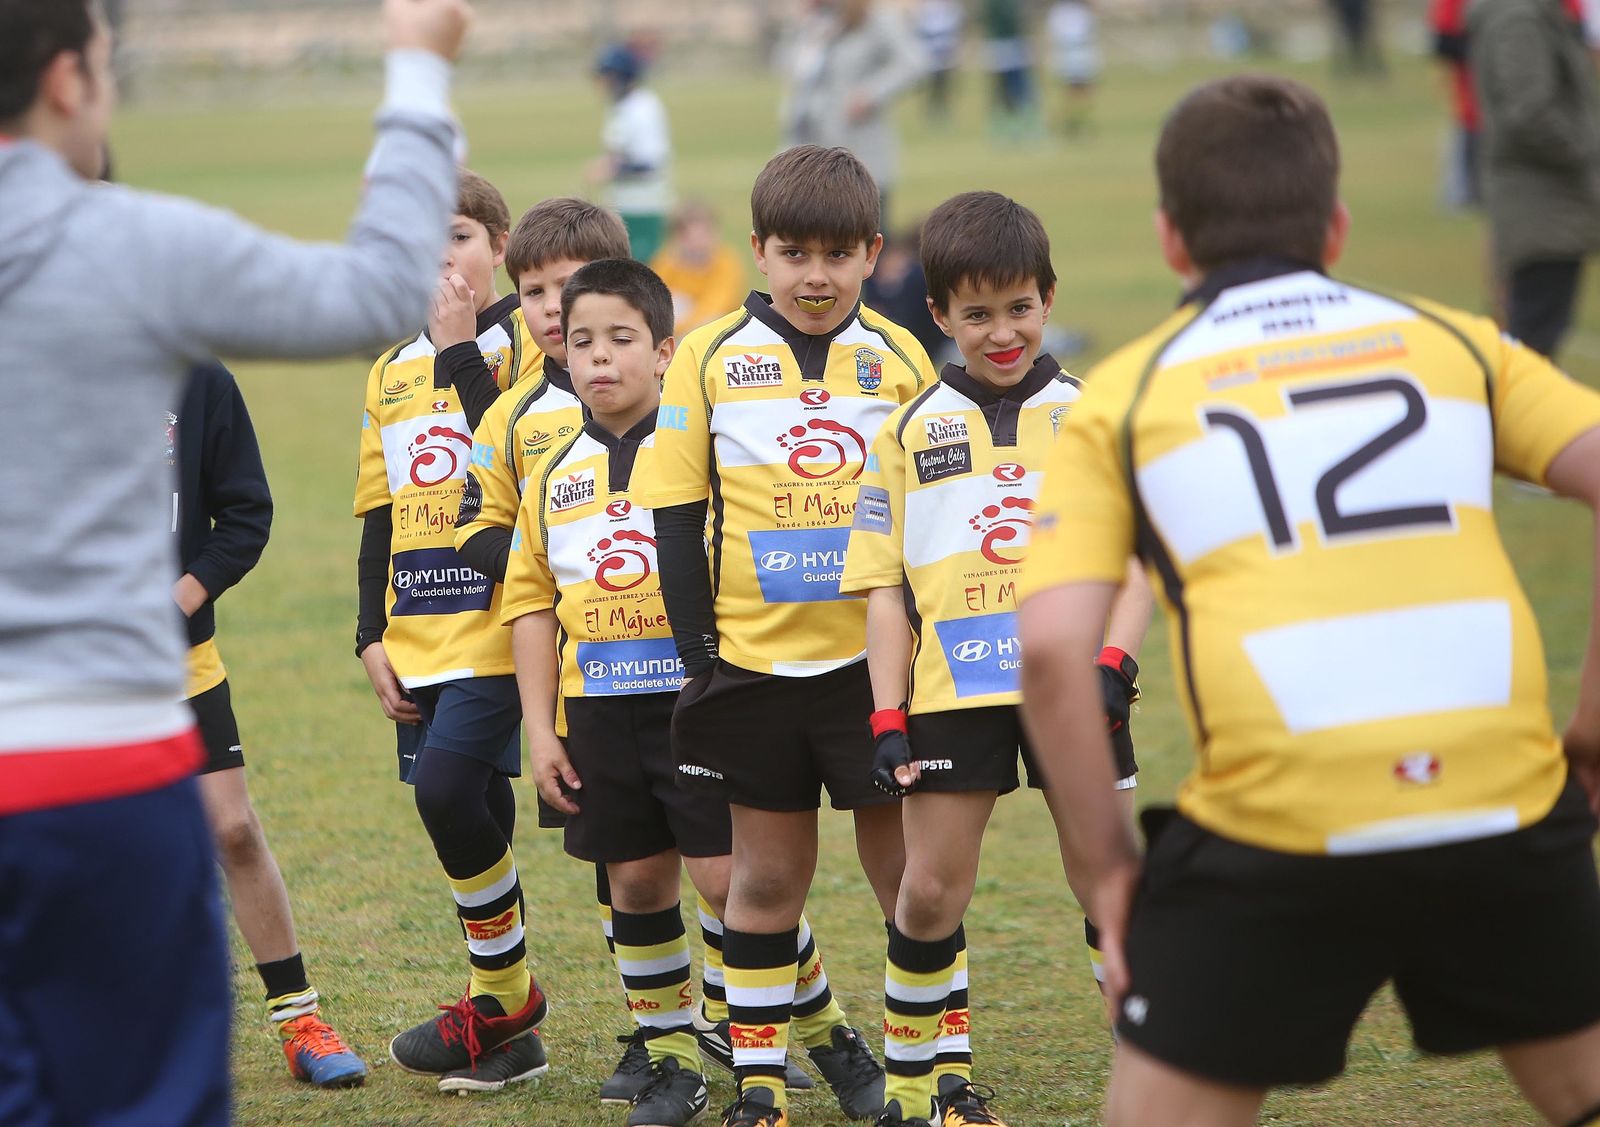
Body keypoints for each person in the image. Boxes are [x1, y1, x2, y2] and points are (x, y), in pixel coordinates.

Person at [1018, 73, 1600, 1127]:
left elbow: (1054, 652)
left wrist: (1108, 870)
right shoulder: (1456, 341)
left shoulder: (1125, 393)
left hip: (1276, 823)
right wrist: (1592, 732)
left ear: (1168, 239)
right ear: (1334, 225)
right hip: (1501, 797)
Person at [0, 0, 469, 1121]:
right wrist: (416, 73)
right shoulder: (128, 242)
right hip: (101, 772)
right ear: (69, 81)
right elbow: (373, 291)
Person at [639, 144, 939, 1127]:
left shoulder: (899, 359)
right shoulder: (705, 354)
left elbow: (930, 520)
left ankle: (926, 1072)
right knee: (764, 878)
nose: (816, 274)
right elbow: (675, 516)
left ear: (872, 254)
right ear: (758, 250)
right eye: (794, 251)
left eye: (838, 254)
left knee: (909, 878)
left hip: (871, 672)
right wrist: (698, 659)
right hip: (751, 671)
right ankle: (760, 1084)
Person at [842, 191, 1148, 1127]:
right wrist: (887, 713)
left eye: (1018, 307)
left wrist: (1114, 663)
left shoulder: (1093, 417)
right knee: (930, 888)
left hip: (1076, 688)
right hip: (953, 691)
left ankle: (1156, 1079)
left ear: (1048, 299)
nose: (1002, 330)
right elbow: (884, 589)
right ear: (938, 315)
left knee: (1109, 880)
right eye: (976, 313)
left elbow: (1139, 556)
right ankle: (910, 1089)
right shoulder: (903, 430)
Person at [354, 168, 556, 1094]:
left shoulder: (524, 346)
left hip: (500, 626)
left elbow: (516, 456)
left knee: (445, 793)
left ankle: (504, 1000)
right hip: (419, 630)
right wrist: (370, 633)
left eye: (463, 234)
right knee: (474, 803)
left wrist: (462, 348)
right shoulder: (389, 372)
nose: (442, 254)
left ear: (501, 251)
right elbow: (380, 515)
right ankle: (506, 1028)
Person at [175, 363, 367, 1090]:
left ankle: (300, 1018)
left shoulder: (197, 379)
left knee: (232, 828)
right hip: (58, 660)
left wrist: (178, 600)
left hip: (176, 656)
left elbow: (245, 515)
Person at [1470, 0, 1600, 360]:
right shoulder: (1519, 18)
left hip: (1548, 201)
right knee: (1532, 341)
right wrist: (1584, 149)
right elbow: (1528, 113)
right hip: (1541, 203)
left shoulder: (1530, 13)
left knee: (1538, 330)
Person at [779, 0, 927, 232]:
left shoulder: (876, 19)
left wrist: (870, 94)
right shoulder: (815, 21)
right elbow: (787, 64)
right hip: (809, 144)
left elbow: (915, 63)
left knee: (866, 232)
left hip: (858, 144)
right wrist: (802, 24)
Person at [590, 43, 672, 264]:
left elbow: (649, 164)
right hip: (622, 205)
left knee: (642, 269)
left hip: (643, 205)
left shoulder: (644, 108)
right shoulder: (620, 108)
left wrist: (611, 170)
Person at [651, 200, 747, 338]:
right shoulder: (668, 261)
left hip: (717, 331)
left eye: (705, 235)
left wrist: (683, 328)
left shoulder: (727, 262)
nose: (700, 243)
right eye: (691, 237)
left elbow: (717, 308)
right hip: (676, 331)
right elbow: (654, 301)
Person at [1047, 0, 1100, 136]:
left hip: (1083, 56)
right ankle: (1069, 124)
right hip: (1069, 57)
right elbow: (1056, 33)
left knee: (1086, 92)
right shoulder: (1059, 11)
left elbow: (1091, 29)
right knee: (1070, 93)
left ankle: (1081, 123)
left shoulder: (1083, 10)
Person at [915, 0, 964, 123]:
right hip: (931, 51)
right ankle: (933, 109)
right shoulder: (925, 6)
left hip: (946, 49)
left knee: (944, 83)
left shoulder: (949, 6)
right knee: (934, 83)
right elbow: (921, 26)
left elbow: (955, 23)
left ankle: (943, 108)